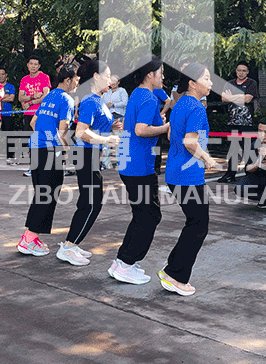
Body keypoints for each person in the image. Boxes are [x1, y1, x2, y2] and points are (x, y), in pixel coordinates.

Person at [161, 62, 221, 296]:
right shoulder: (196, 107)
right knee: (198, 225)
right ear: (192, 83)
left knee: (194, 223)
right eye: (206, 78)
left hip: (175, 172)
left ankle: (172, 268)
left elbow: (171, 135)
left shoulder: (180, 104)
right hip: (188, 175)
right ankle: (176, 275)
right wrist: (208, 159)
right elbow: (190, 142)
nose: (211, 83)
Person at [108, 58, 170, 285]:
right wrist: (166, 127)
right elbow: (141, 130)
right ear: (150, 75)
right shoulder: (149, 97)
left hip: (130, 163)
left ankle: (122, 262)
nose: (163, 77)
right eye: (161, 73)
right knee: (150, 216)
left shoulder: (137, 93)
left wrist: (158, 122)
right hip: (140, 166)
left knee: (141, 215)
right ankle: (126, 264)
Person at [58, 59, 120, 266]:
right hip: (85, 154)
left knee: (88, 202)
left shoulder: (98, 99)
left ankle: (72, 244)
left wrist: (112, 128)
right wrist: (106, 140)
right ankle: (68, 247)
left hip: (92, 155)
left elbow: (94, 126)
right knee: (92, 203)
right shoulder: (90, 101)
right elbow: (81, 132)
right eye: (107, 75)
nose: (110, 79)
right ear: (95, 77)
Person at [16, 63, 80, 256]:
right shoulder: (67, 99)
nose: (78, 83)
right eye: (76, 79)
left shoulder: (49, 96)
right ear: (68, 79)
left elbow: (33, 122)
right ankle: (28, 239)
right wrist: (66, 152)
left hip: (36, 147)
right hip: (51, 150)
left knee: (41, 194)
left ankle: (30, 237)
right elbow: (63, 131)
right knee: (48, 195)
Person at [217, 61, 259, 183]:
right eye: (239, 70)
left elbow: (248, 99)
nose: (241, 73)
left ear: (248, 72)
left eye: (244, 70)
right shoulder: (230, 83)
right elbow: (224, 98)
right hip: (232, 122)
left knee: (248, 149)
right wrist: (239, 97)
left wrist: (232, 97)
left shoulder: (251, 83)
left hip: (247, 122)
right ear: (236, 71)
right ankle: (230, 174)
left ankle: (249, 175)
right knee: (233, 149)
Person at [101, 75, 128, 169]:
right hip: (108, 119)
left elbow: (125, 102)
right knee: (106, 141)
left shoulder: (122, 91)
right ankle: (105, 163)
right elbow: (101, 102)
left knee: (118, 141)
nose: (112, 83)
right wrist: (106, 105)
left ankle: (119, 161)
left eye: (114, 81)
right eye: (111, 81)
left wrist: (113, 105)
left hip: (118, 118)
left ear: (118, 82)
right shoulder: (106, 92)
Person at [0, 66, 17, 163]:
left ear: (6, 75)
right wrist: (5, 97)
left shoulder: (11, 86)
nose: (0, 76)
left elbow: (11, 98)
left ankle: (10, 156)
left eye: (2, 74)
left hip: (7, 114)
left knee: (9, 136)